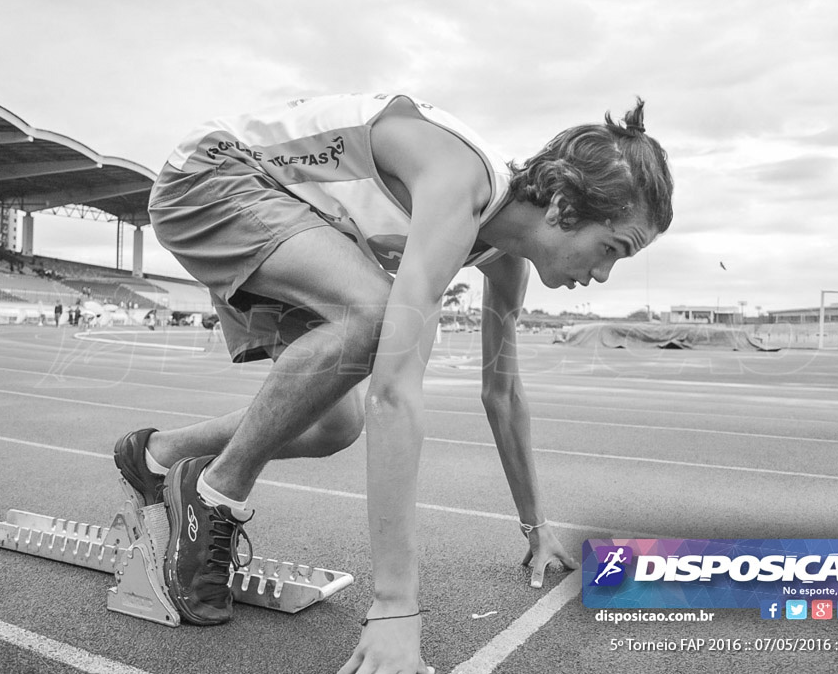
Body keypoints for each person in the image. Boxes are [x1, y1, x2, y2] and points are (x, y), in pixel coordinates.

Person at [113, 93, 672, 673]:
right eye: (611, 249)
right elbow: (395, 388)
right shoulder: (458, 182)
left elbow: (502, 392)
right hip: (213, 176)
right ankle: (214, 494)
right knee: (378, 319)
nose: (602, 274)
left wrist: (536, 525)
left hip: (296, 214)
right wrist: (395, 609)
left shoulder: (504, 256)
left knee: (337, 423)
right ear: (561, 208)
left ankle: (157, 456)